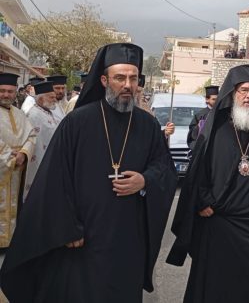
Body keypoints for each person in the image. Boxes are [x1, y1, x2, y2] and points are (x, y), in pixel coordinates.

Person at [0, 43, 178, 303]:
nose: (127, 85)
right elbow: (55, 179)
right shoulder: (77, 122)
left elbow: (164, 169)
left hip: (128, 235)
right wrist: (66, 227)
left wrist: (145, 180)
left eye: (133, 78)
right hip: (83, 236)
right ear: (104, 81)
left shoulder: (148, 125)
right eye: (120, 78)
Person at [166, 64, 249, 303]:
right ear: (233, 93)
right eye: (243, 90)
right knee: (212, 285)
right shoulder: (215, 126)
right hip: (218, 220)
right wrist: (202, 200)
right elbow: (198, 169)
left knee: (246, 287)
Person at [0, 73, 35, 248]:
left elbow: (31, 135)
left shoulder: (20, 113)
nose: (6, 95)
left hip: (17, 169)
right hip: (3, 165)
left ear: (16, 93)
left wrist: (23, 153)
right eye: (2, 91)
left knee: (14, 203)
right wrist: (9, 156)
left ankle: (10, 241)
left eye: (10, 91)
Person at [23, 80, 60, 200]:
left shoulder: (47, 111)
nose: (55, 100)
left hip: (50, 158)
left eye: (54, 97)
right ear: (40, 99)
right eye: (51, 97)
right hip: (38, 160)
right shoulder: (34, 115)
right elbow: (34, 142)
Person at [187, 85, 218, 150]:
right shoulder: (200, 115)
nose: (216, 101)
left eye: (217, 99)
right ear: (207, 99)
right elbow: (192, 134)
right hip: (204, 148)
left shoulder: (221, 113)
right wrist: (198, 127)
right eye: (214, 99)